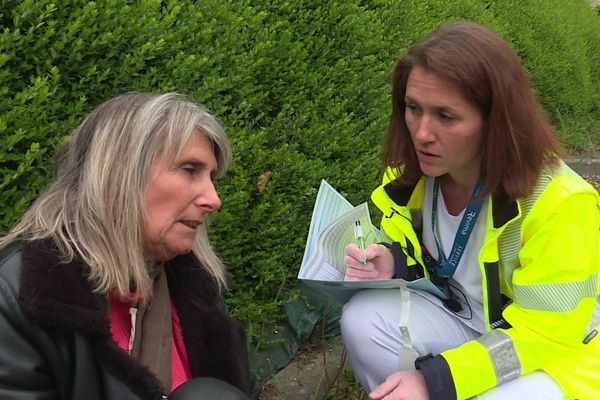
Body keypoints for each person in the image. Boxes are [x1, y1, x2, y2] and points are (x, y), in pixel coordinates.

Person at [340, 21, 599, 400]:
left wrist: (438, 380)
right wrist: (394, 262)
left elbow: (546, 334)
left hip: (558, 352)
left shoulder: (562, 202)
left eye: (446, 116)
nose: (422, 133)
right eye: (413, 108)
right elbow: (434, 261)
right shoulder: (411, 180)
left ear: (496, 121)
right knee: (361, 320)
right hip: (467, 319)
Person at [0, 92, 252, 399]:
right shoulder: (16, 297)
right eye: (189, 170)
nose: (214, 200)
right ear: (120, 173)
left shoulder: (198, 286)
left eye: (211, 177)